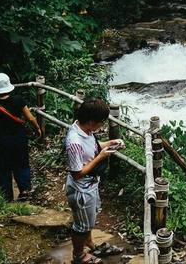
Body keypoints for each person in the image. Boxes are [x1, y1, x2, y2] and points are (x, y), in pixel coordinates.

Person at [64, 98, 124, 264]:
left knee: (88, 219)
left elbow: (92, 147)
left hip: (90, 185)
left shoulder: (84, 129)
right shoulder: (74, 142)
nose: (102, 125)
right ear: (91, 121)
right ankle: (78, 255)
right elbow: (77, 173)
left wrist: (109, 144)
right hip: (81, 189)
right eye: (101, 122)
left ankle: (89, 242)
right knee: (81, 226)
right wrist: (100, 157)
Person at [0, 72, 42, 202]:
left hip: (1, 140)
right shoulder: (18, 100)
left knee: (3, 167)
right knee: (21, 164)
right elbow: (29, 117)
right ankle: (24, 190)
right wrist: (37, 128)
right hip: (19, 138)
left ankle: (7, 196)